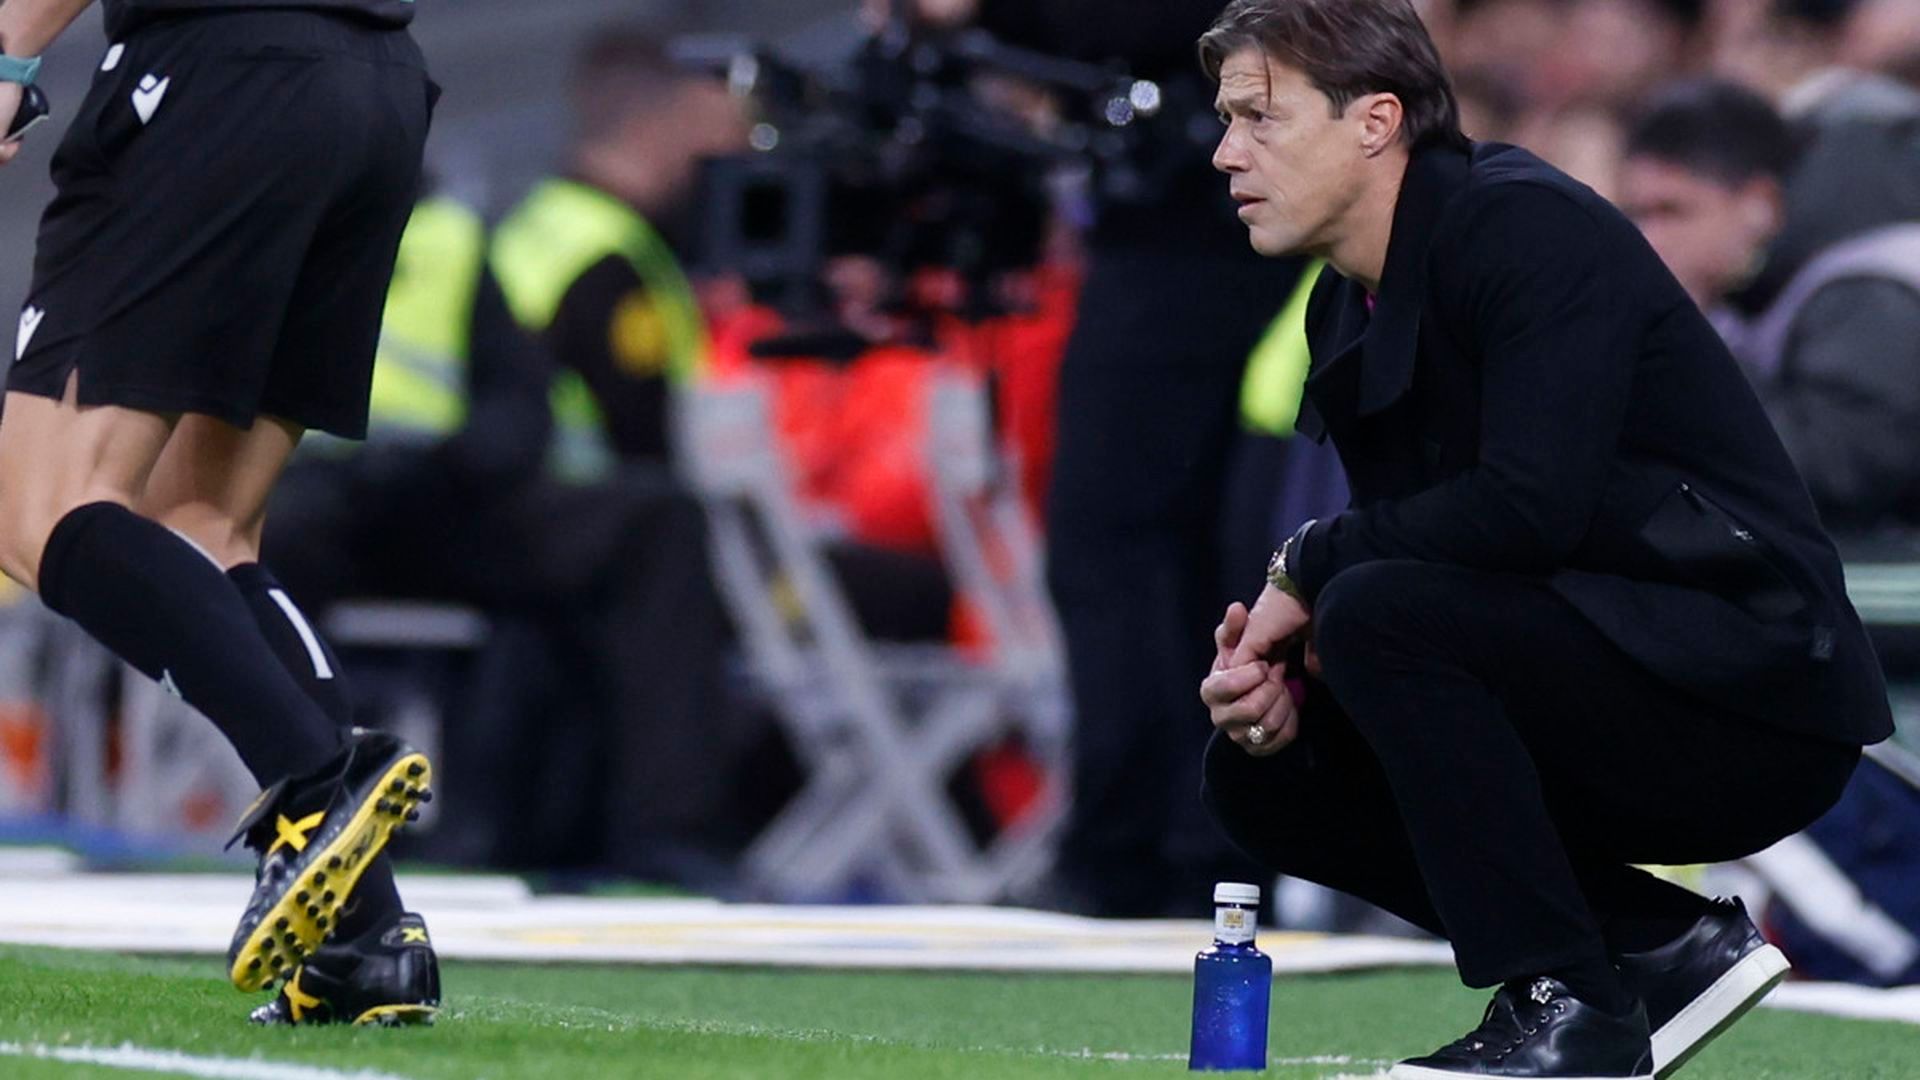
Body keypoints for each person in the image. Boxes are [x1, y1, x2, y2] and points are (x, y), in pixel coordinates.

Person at [1195, 2, 1889, 1078]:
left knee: (1379, 614)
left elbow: (1528, 509)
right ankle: (1656, 942)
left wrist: (1313, 568)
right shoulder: (1348, 300)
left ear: (1376, 121)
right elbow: (1426, 553)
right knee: (1261, 771)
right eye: (1227, 120)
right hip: (1597, 658)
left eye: (1258, 117)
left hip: (1751, 694)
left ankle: (1569, 1011)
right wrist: (1299, 665)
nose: (1225, 150)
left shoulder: (1523, 225)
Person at [0, 0, 439, 1024]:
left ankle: (321, 783)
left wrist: (11, 54)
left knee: (38, 507)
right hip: (374, 84)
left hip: (219, 67)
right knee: (202, 520)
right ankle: (368, 940)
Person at [899, 0, 1300, 919]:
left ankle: (1140, 850)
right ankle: (1191, 848)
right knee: (1184, 554)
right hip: (1199, 217)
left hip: (1188, 226)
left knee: (1120, 547)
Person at [1621, 79, 1920, 544]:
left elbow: (1835, 471)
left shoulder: (1870, 290)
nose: (1648, 238)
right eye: (1636, 214)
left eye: (1673, 212)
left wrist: (1686, 337)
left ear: (1760, 203)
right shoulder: (1759, 285)